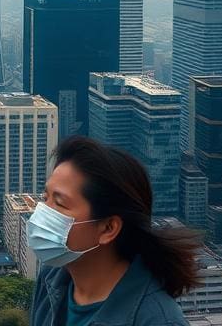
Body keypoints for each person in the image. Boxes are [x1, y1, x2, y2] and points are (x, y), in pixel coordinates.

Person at [29, 136, 200, 326]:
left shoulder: (157, 320)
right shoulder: (52, 279)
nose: (42, 211)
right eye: (46, 198)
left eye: (59, 203)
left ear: (108, 228)